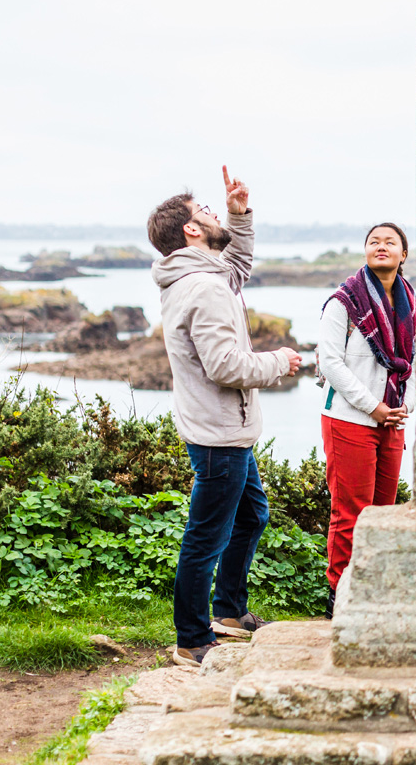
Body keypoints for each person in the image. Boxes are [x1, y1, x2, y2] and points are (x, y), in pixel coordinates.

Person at [148, 167, 303, 667]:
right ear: (192, 230)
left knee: (252, 513)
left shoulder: (199, 277)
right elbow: (226, 366)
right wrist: (280, 361)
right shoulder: (205, 289)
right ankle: (192, 640)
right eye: (208, 212)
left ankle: (230, 613)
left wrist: (238, 216)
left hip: (222, 428)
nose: (215, 212)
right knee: (205, 537)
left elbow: (233, 265)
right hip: (219, 434)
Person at [317, 222, 416, 619]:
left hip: (391, 420)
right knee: (350, 511)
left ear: (403, 255)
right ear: (365, 252)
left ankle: (373, 589)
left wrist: (403, 407)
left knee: (383, 510)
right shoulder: (343, 301)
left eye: (390, 242)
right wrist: (372, 405)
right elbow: (330, 363)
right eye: (374, 241)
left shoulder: (413, 301)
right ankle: (339, 593)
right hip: (349, 418)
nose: (381, 246)